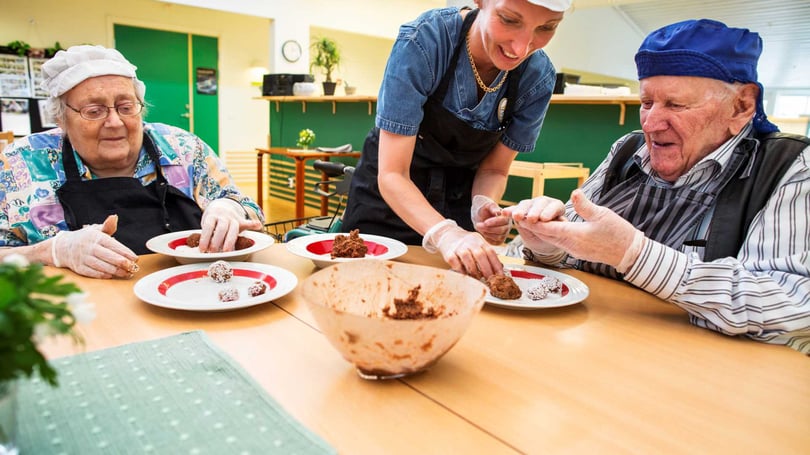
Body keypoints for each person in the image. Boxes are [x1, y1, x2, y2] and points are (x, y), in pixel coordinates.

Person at [504, 19, 810, 353]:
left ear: (742, 106)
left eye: (676, 105)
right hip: (606, 348)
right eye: (646, 102)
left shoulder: (789, 166)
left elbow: (791, 305)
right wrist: (546, 242)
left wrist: (635, 254)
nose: (650, 123)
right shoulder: (628, 149)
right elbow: (571, 255)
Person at [341, 0, 570, 278]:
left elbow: (495, 169)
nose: (521, 48)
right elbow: (393, 174)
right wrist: (445, 233)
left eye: (546, 27)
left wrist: (483, 204)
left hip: (458, 205)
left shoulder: (536, 78)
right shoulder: (424, 42)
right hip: (388, 204)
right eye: (509, 20)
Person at [0, 45, 264, 279]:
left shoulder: (181, 147)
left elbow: (251, 213)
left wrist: (229, 207)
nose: (115, 122)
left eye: (126, 107)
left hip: (191, 296)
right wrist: (51, 252)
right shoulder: (19, 163)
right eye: (94, 111)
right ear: (60, 120)